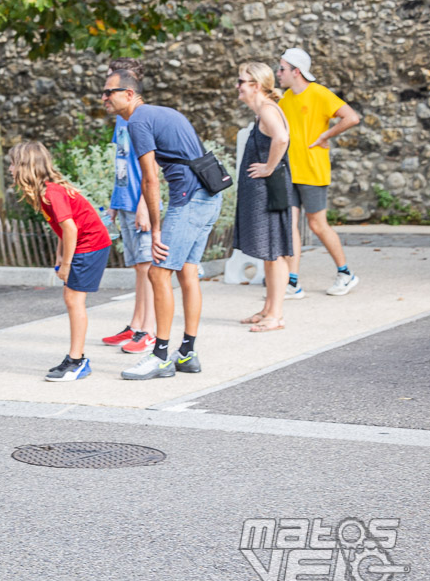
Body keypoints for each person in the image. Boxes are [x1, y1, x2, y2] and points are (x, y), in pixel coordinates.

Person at [102, 70, 222, 380]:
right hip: (210, 196)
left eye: (109, 92)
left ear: (129, 94)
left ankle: (160, 357)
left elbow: (150, 179)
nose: (104, 98)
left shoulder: (138, 121)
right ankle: (187, 353)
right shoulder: (163, 113)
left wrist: (156, 229)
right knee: (188, 272)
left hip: (190, 199)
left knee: (158, 272)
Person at [9, 141, 111, 382]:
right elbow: (64, 229)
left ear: (26, 166)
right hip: (86, 245)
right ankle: (75, 358)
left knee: (74, 300)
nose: (11, 170)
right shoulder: (46, 191)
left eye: (13, 164)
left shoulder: (51, 193)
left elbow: (71, 228)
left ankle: (77, 361)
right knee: (72, 299)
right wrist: (59, 256)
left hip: (91, 245)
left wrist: (66, 264)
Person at [276, 48, 362, 297]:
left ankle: (346, 274)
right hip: (289, 171)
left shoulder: (319, 93)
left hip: (313, 170)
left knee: (317, 225)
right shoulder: (285, 100)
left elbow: (351, 117)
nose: (278, 73)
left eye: (282, 68)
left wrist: (326, 135)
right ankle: (292, 282)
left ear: (296, 71)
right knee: (290, 225)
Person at [100, 57, 157, 355]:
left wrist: (145, 206)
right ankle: (136, 325)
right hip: (124, 201)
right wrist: (114, 200)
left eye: (112, 85)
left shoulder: (140, 118)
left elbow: (151, 168)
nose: (106, 93)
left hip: (139, 203)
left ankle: (148, 330)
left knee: (147, 267)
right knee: (138, 266)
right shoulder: (121, 120)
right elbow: (120, 162)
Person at [234, 62, 294, 332]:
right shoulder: (262, 112)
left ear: (256, 86)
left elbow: (281, 138)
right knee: (269, 252)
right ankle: (269, 308)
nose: (237, 87)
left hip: (268, 191)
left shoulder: (268, 110)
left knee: (275, 251)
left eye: (241, 82)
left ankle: (276, 315)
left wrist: (269, 168)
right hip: (262, 191)